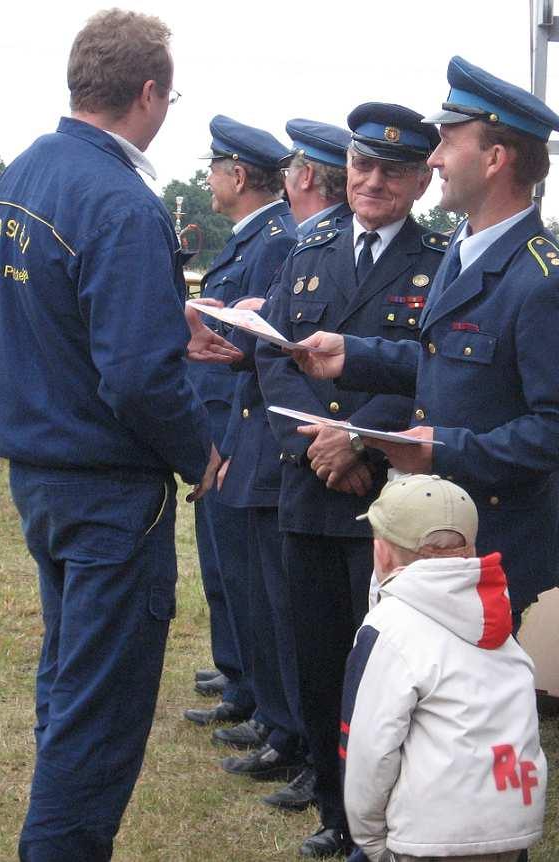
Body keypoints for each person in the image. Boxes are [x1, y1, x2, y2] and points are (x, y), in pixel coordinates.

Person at [0, 10, 220, 860]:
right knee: (100, 714)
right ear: (149, 92)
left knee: (68, 683)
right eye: (172, 94)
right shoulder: (122, 201)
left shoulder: (21, 176)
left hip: (42, 478)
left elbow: (52, 313)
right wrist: (204, 454)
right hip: (109, 493)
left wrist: (166, 316)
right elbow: (137, 379)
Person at [294, 56, 559, 637]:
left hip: (489, 545)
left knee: (462, 719)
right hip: (434, 534)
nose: (432, 159)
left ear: (494, 158)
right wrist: (354, 354)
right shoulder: (468, 250)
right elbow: (453, 366)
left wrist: (445, 450)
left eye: (446, 143)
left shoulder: (546, 283)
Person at [256, 102, 447, 858]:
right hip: (310, 484)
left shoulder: (442, 260)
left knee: (387, 666)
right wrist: (315, 445)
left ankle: (387, 811)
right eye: (362, 166)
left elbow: (437, 372)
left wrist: (355, 440)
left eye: (392, 171)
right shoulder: (310, 246)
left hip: (386, 494)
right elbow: (274, 352)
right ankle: (335, 813)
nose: (372, 182)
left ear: (419, 183)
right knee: (316, 654)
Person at [214, 120, 354, 810]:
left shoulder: (301, 245)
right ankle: (285, 726)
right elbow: (279, 349)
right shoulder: (297, 244)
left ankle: (299, 736)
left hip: (303, 458)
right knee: (270, 605)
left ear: (302, 178)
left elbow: (314, 355)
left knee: (296, 617)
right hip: (276, 444)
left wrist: (325, 442)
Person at [342, 474, 546, 862]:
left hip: (430, 837)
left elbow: (370, 749)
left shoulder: (389, 629)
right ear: (470, 550)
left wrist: (369, 840)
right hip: (514, 824)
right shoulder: (497, 614)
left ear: (381, 553)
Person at [183, 115, 297, 728]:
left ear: (239, 174)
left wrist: (224, 439)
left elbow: (252, 346)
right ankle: (238, 670)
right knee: (223, 561)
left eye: (213, 168)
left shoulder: (273, 240)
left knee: (246, 572)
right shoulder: (251, 237)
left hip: (236, 420)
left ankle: (252, 688)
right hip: (219, 417)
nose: (207, 179)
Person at [282, 118, 353, 238]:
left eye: (287, 172)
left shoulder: (323, 243)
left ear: (306, 175)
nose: (284, 183)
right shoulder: (353, 232)